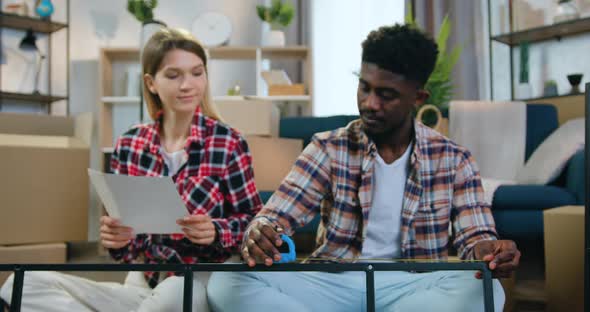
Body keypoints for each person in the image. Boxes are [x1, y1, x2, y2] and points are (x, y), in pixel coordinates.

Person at [207, 24, 520, 312]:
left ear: (417, 97)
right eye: (364, 87)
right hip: (332, 281)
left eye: (386, 95)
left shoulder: (454, 158)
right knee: (227, 281)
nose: (370, 103)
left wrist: (489, 251)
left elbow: (475, 238)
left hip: (413, 284)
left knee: (490, 292)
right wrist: (262, 234)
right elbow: (274, 217)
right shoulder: (328, 148)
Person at [0, 28, 262, 312]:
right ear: (151, 83)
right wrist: (117, 240)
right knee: (21, 284)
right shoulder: (130, 143)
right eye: (174, 75)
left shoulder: (229, 142)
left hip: (198, 282)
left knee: (175, 292)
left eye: (197, 73)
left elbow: (255, 224)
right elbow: (126, 250)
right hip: (143, 283)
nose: (188, 84)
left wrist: (216, 229)